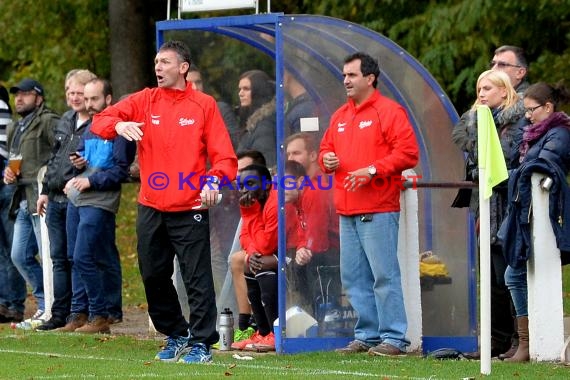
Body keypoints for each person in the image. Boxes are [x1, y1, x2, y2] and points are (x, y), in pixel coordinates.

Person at [90, 40, 237, 363]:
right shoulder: (144, 100)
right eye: (156, 61)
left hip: (191, 208)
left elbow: (225, 158)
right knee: (153, 275)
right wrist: (118, 124)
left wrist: (213, 181)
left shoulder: (204, 105)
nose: (158, 67)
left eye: (165, 62)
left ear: (183, 68)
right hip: (151, 206)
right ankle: (176, 333)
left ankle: (201, 342)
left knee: (196, 278)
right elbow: (98, 121)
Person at [319, 52, 419, 356]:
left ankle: (395, 338)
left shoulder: (389, 111)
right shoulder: (339, 115)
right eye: (344, 75)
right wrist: (326, 160)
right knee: (354, 278)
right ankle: (367, 335)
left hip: (378, 206)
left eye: (351, 75)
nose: (345, 80)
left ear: (370, 78)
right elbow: (325, 150)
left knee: (384, 276)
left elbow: (408, 153)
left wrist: (373, 170)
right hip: (346, 209)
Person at [452, 69, 528, 358]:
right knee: (491, 279)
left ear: (505, 91)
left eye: (487, 88)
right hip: (484, 207)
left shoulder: (517, 122)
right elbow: (463, 145)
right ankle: (495, 342)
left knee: (508, 277)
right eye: (479, 88)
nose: (481, 94)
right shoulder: (477, 121)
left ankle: (518, 342)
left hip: (509, 207)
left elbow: (510, 165)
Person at [60, 78, 136, 333]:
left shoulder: (119, 130)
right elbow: (83, 160)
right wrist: (76, 167)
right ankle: (77, 314)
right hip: (77, 200)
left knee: (85, 256)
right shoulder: (90, 128)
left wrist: (90, 180)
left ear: (108, 99)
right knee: (73, 257)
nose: (88, 104)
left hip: (100, 201)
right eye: (86, 98)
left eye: (94, 99)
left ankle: (100, 315)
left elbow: (120, 171)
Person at [502, 82, 570, 362]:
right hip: (526, 214)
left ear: (548, 108)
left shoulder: (560, 133)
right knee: (514, 274)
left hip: (543, 217)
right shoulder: (535, 133)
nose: (527, 116)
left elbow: (540, 166)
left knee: (514, 274)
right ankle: (527, 342)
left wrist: (514, 174)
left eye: (531, 110)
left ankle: (530, 343)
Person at [35, 69, 96, 331]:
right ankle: (58, 313)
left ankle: (78, 312)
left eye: (79, 92)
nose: (74, 97)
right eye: (70, 92)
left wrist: (86, 165)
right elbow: (54, 160)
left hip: (77, 198)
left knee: (75, 257)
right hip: (55, 197)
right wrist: (45, 190)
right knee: (57, 258)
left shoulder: (96, 123)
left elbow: (99, 162)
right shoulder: (65, 120)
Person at [4, 78, 59, 329]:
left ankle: (52, 307)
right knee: (19, 255)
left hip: (42, 197)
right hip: (22, 198)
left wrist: (48, 181)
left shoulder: (49, 120)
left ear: (39, 97)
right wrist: (8, 172)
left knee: (48, 256)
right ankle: (44, 302)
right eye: (17, 94)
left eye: (25, 94)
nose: (19, 98)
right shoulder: (15, 127)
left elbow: (61, 151)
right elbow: (14, 159)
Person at [285, 133, 340, 316]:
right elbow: (303, 226)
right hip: (310, 247)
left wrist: (305, 248)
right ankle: (308, 317)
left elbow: (316, 229)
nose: (291, 158)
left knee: (302, 266)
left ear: (313, 155)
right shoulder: (299, 186)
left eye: (296, 153)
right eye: (288, 154)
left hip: (330, 250)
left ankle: (320, 319)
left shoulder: (319, 185)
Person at [230, 164, 278, 352]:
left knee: (258, 264)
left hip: (296, 254)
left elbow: (266, 245)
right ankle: (263, 332)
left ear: (266, 184)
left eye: (250, 183)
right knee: (250, 263)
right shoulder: (255, 202)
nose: (244, 190)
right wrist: (251, 253)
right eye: (241, 185)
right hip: (270, 252)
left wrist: (250, 213)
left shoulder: (273, 203)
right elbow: (244, 238)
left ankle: (275, 332)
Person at [227, 150, 267, 344]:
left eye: (245, 170)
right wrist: (251, 250)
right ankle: (246, 325)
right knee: (237, 259)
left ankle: (260, 326)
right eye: (238, 172)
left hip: (283, 252)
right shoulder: (248, 197)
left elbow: (269, 241)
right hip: (260, 249)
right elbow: (245, 234)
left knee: (242, 260)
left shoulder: (271, 197)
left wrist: (253, 251)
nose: (240, 176)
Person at [0, 85, 26, 324]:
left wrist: (12, 173)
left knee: (10, 247)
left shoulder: (2, 108)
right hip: (7, 181)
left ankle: (14, 303)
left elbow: (11, 152)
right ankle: (6, 302)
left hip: (5, 183)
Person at [186, 64, 239, 149]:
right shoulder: (172, 116)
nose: (195, 88)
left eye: (198, 82)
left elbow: (236, 143)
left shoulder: (220, 109)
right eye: (189, 83)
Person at [236, 70, 277, 168]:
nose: (240, 93)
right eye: (240, 89)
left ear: (258, 91)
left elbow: (266, 164)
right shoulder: (255, 122)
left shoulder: (264, 125)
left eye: (246, 89)